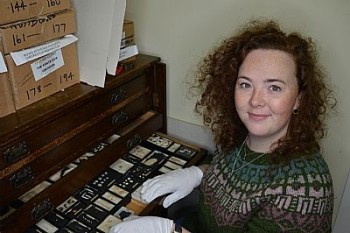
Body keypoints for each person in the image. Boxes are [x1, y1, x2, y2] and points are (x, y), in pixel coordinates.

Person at [110, 19, 336, 233]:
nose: (255, 100)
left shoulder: (306, 188)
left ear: (299, 98)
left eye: (274, 87)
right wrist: (197, 173)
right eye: (245, 84)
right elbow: (228, 169)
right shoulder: (241, 135)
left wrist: (168, 230)